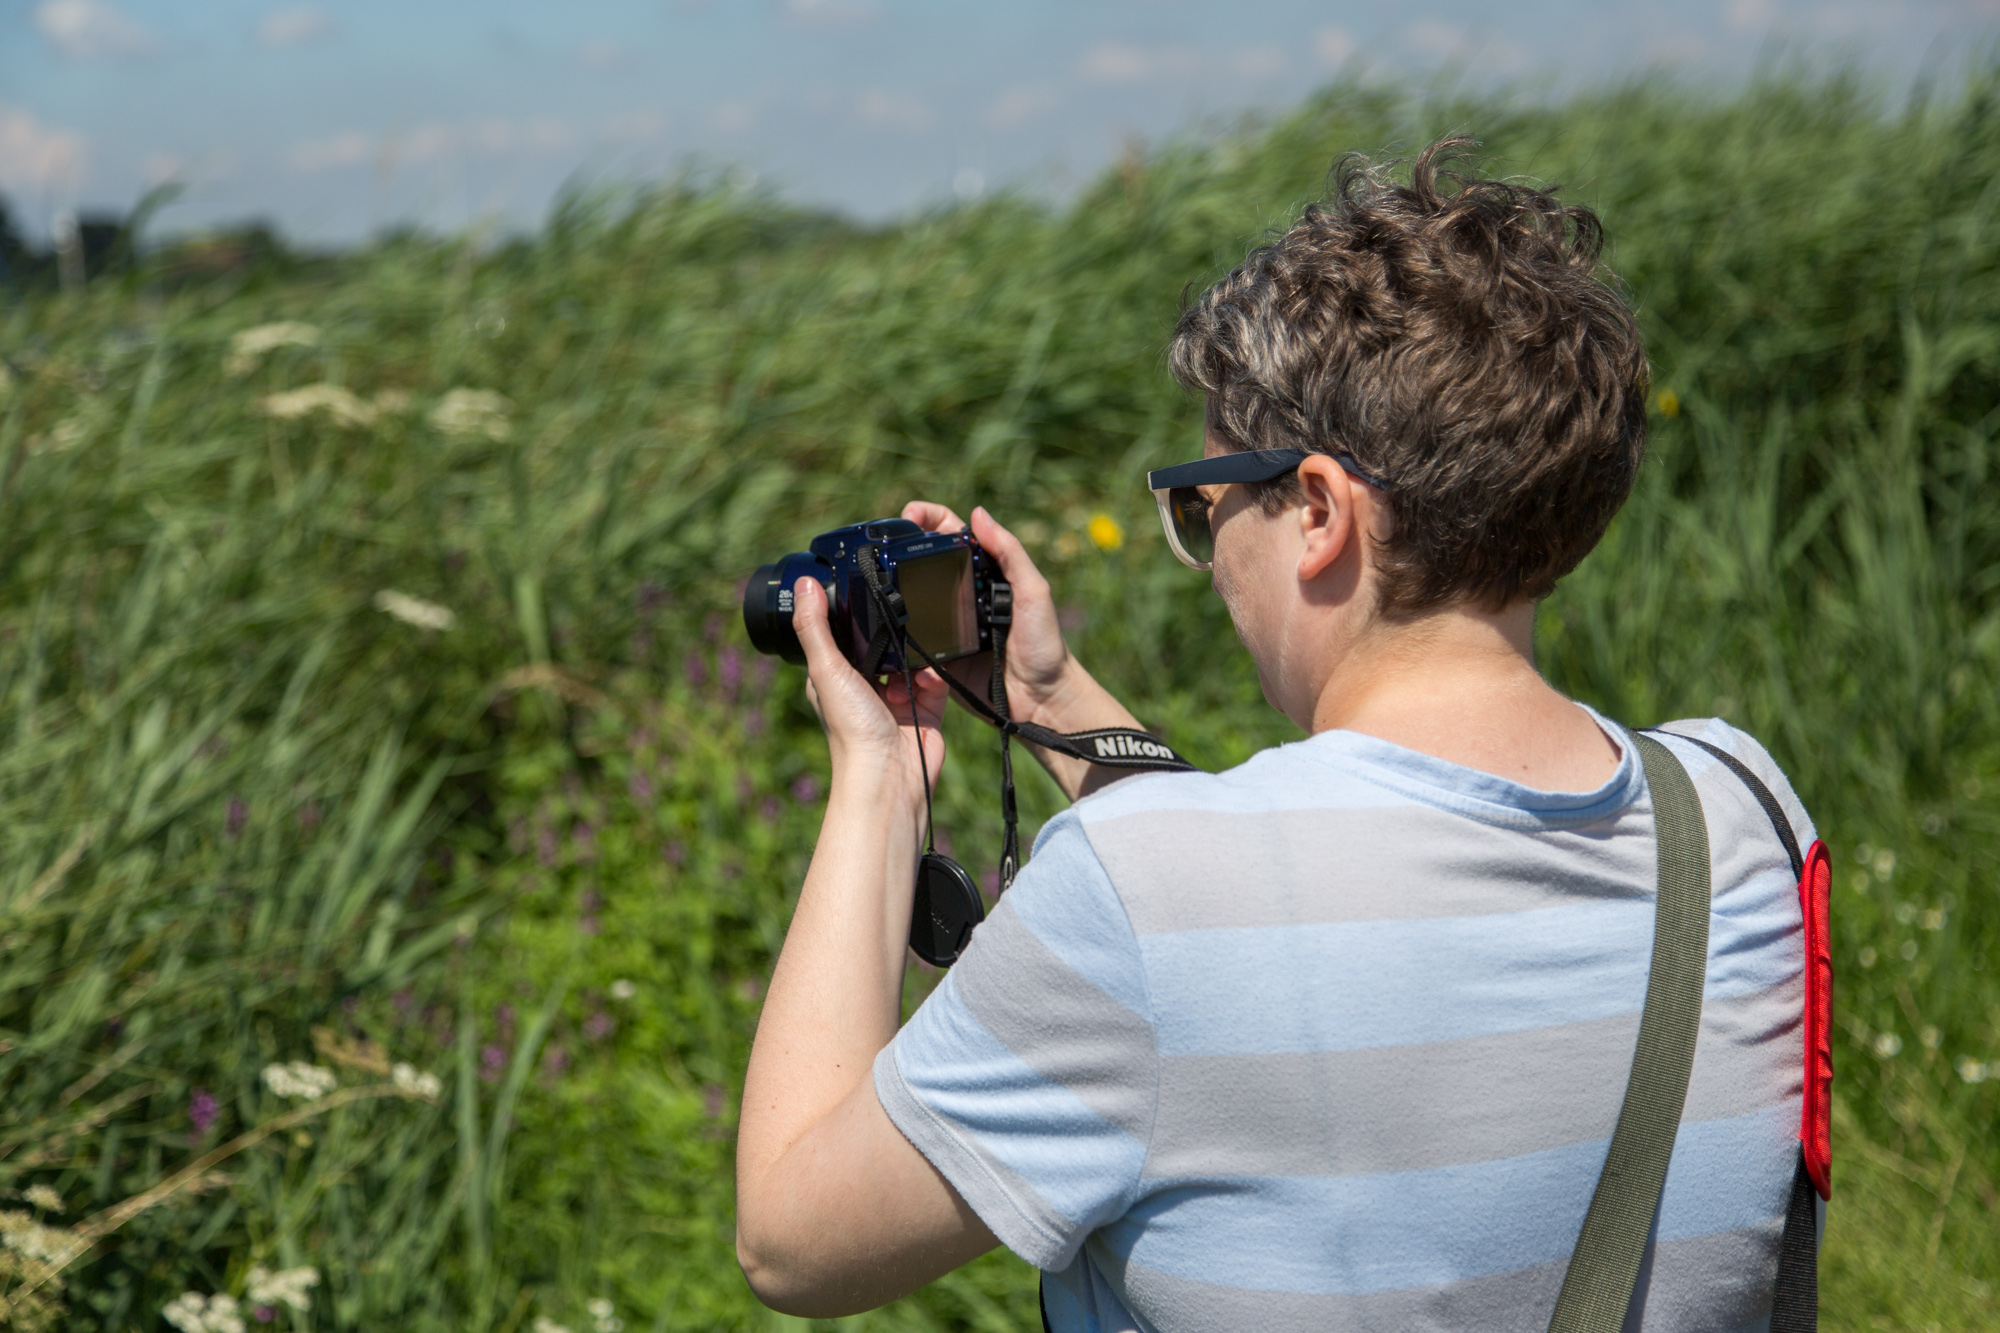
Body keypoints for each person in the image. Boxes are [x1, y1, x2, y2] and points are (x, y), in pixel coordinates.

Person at [734, 138, 1818, 1331]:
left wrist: (879, 781)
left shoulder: (1142, 899)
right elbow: (1278, 931)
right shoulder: (1739, 816)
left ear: (1313, 511)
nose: (1207, 563)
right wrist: (1039, 699)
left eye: (1202, 508)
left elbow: (792, 1240)